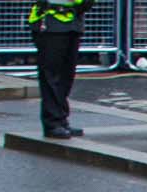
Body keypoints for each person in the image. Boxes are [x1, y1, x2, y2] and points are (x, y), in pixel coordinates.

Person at [28, 0, 89, 139]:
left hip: (73, 21)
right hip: (51, 21)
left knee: (66, 75)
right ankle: (52, 123)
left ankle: (61, 119)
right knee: (51, 75)